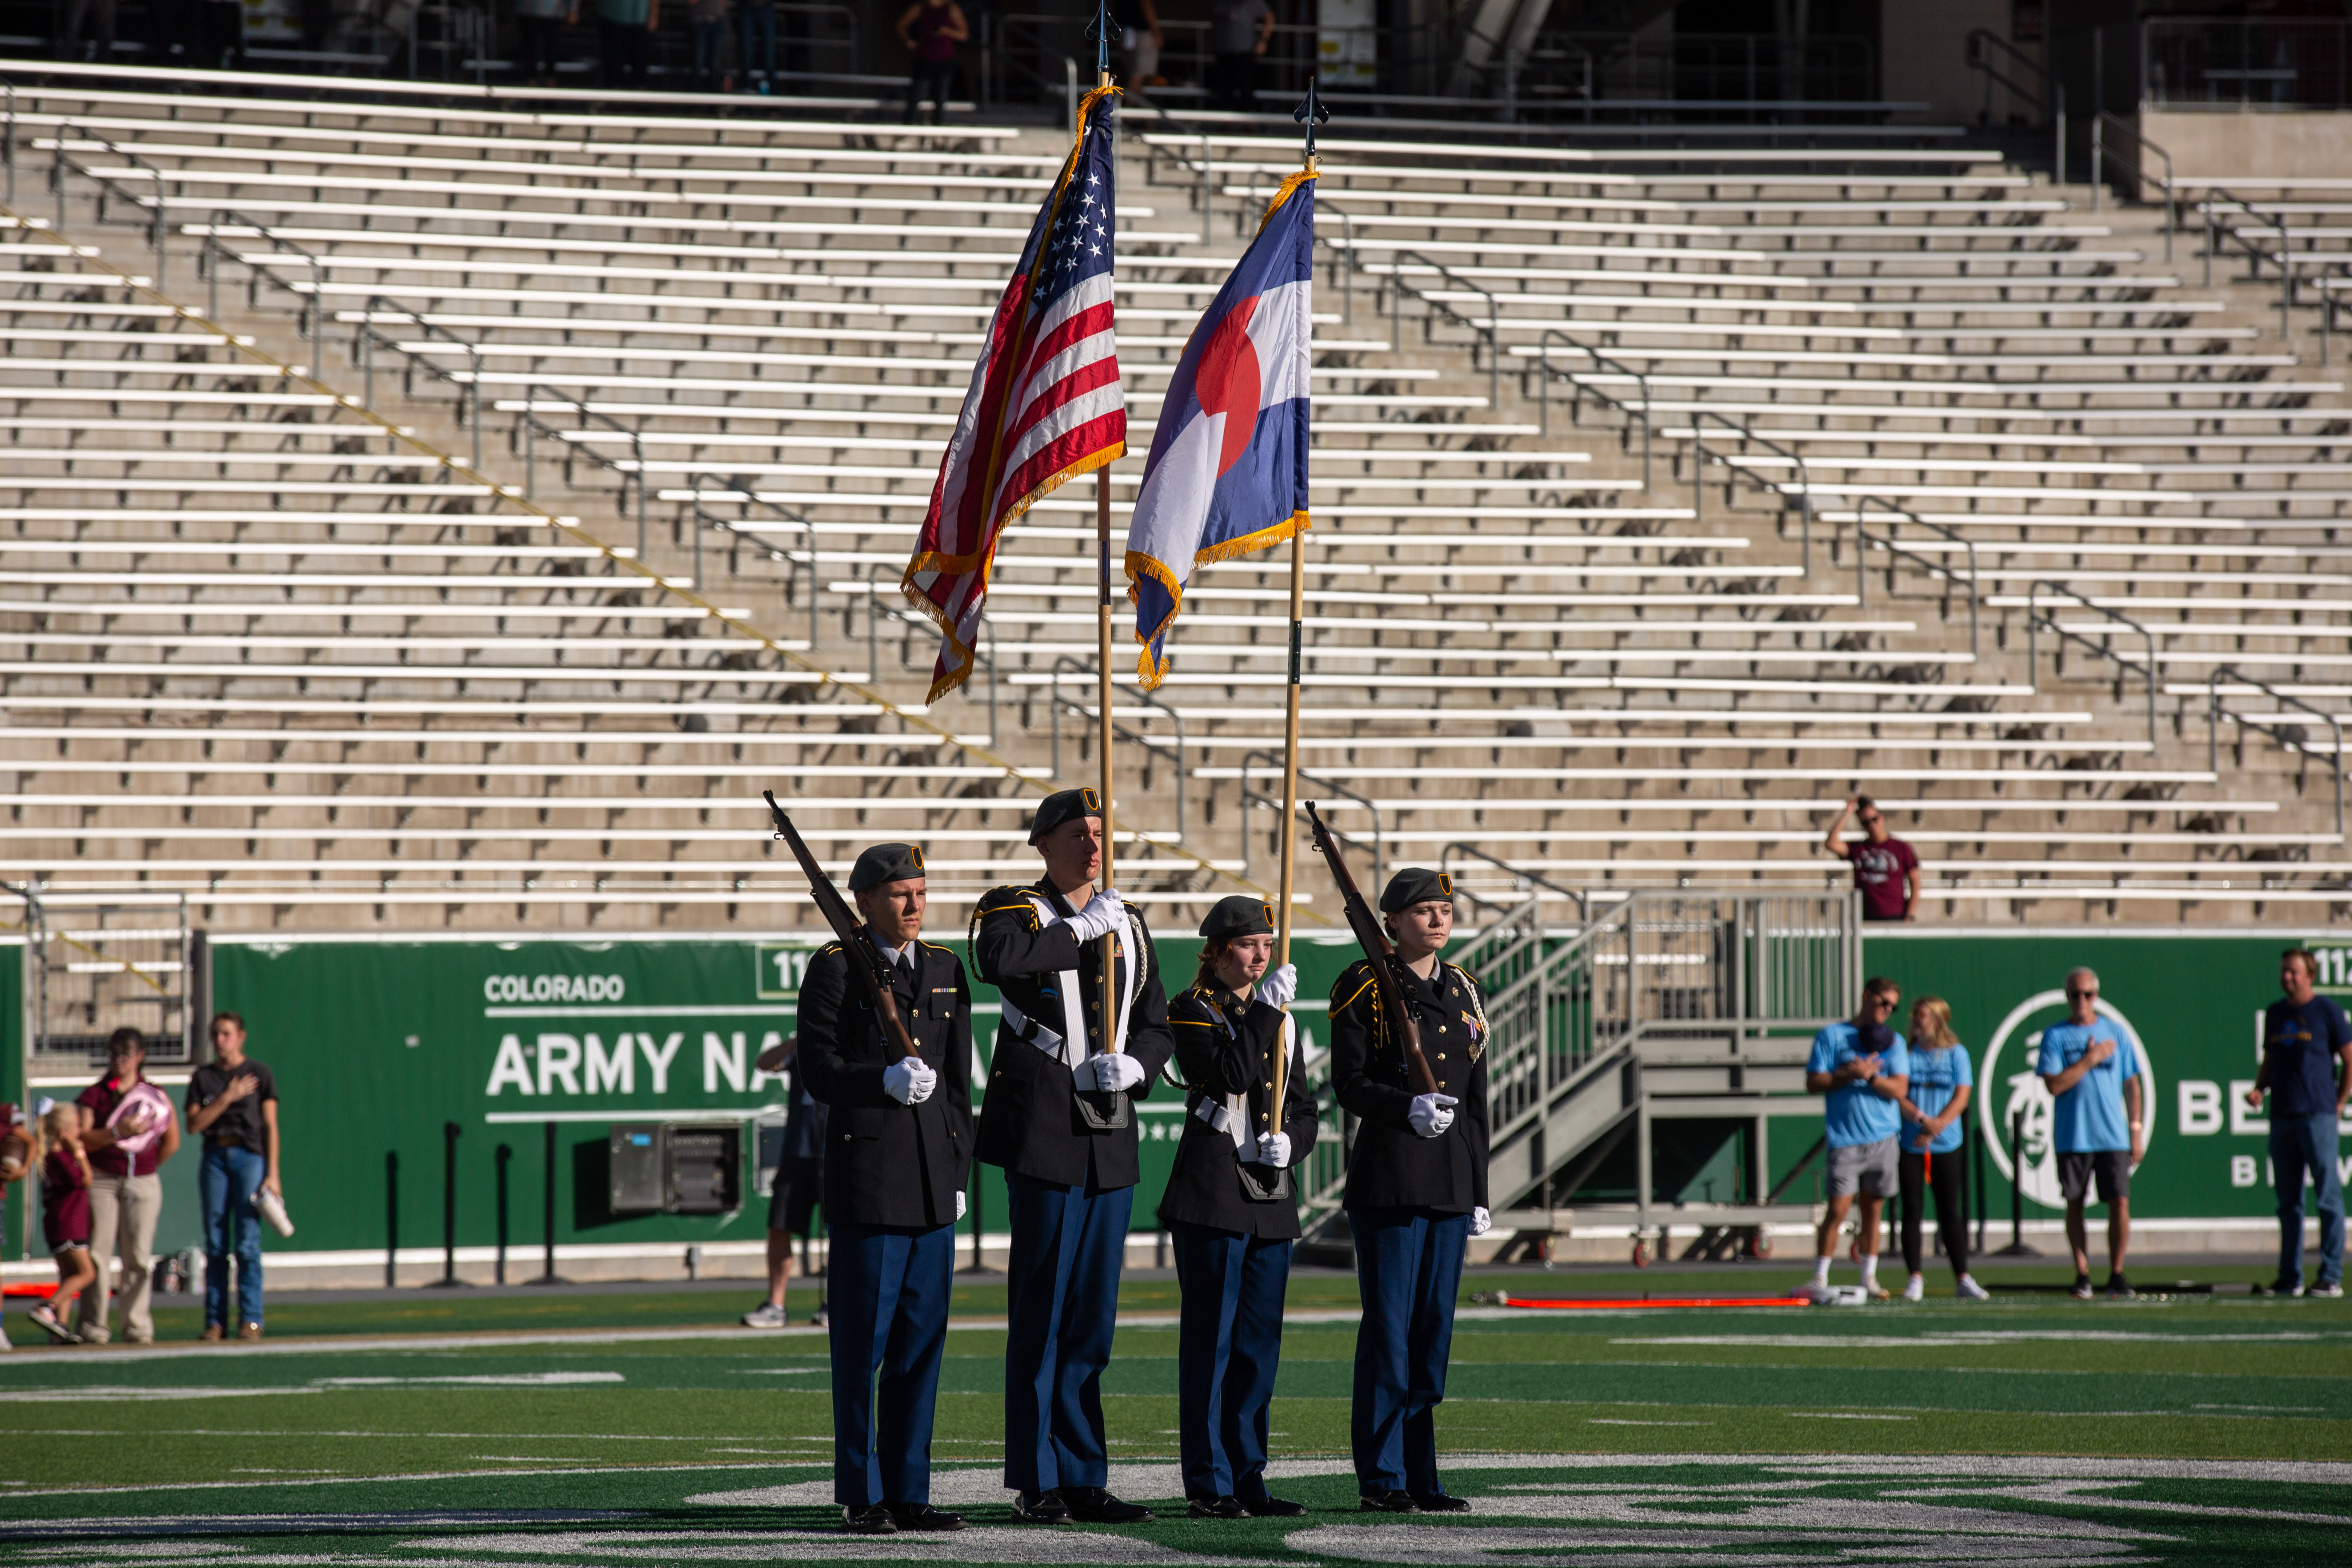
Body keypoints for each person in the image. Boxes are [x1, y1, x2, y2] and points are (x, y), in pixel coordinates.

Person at [972, 787, 1174, 1525]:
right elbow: (998, 961)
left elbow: (1156, 1022)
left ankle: (1085, 1471)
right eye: (1077, 834)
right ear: (1043, 842)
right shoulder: (1017, 909)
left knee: (1092, 1317)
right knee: (1043, 1310)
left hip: (1108, 1131)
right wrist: (1080, 929)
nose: (1092, 845)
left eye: (1099, 832)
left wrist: (1140, 1067)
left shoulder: (1129, 921)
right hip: (1046, 1129)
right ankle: (1036, 1475)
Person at [796, 843, 972, 1534]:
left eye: (920, 893)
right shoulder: (836, 968)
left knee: (919, 1348)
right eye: (899, 894)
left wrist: (958, 1172)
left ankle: (909, 1490)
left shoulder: (945, 968)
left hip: (932, 1182)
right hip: (870, 1181)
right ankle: (861, 1492)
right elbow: (819, 1068)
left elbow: (958, 1085)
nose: (913, 906)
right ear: (863, 901)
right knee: (863, 1347)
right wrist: (880, 1081)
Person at [1330, 867, 1489, 1515]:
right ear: (1391, 921)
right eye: (1422, 909)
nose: (1437, 918)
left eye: (1443, 908)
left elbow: (1476, 1101)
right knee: (1391, 1331)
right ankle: (1383, 1475)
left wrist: (1479, 1186)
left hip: (1450, 1180)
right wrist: (1405, 1108)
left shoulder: (1465, 989)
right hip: (1392, 1177)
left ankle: (1422, 1472)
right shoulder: (1364, 983)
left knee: (1432, 1334)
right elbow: (1350, 1082)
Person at [1160, 896, 1317, 1520]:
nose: (1261, 955)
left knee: (1258, 1346)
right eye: (1249, 944)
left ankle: (1249, 1473)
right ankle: (1207, 1481)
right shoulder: (1192, 1009)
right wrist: (1266, 1015)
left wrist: (1292, 1145)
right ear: (1220, 949)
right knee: (1212, 1343)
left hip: (1269, 1197)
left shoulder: (1279, 1017)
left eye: (1267, 944)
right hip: (1212, 1192)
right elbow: (1227, 1069)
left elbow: (1303, 1108)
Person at [2036, 967, 2145, 1300]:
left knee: (2120, 1202)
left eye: (2088, 994)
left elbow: (2132, 1084)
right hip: (2074, 1134)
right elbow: (2054, 1084)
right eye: (2075, 994)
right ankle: (2083, 1273)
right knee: (2075, 1203)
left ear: (2096, 995)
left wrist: (2135, 1129)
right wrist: (2090, 1059)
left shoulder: (2116, 1032)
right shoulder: (2056, 1035)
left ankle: (2116, 1272)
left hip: (2111, 1133)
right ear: (2067, 996)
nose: (2081, 1001)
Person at [2249, 948, 2352, 1298]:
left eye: (2294, 972)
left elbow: (2349, 1058)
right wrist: (2260, 1089)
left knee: (2327, 1197)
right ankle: (2290, 1275)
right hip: (2283, 1115)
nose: (2287, 977)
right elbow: (2271, 1059)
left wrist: (2338, 1102)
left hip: (2317, 1114)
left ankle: (2330, 1274)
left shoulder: (2326, 1011)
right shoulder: (2276, 1014)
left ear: (2310, 975)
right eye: (2284, 972)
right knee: (2288, 1202)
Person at [1804, 977, 1910, 1300]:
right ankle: (1820, 1276)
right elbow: (1813, 1081)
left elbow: (1900, 1089)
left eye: (1893, 1006)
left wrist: (1871, 1076)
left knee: (1873, 1211)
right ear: (1867, 996)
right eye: (1883, 1002)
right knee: (1837, 1210)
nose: (1887, 1010)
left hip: (1883, 1136)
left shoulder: (1894, 1042)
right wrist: (1847, 1074)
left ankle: (1869, 1277)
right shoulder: (1833, 1036)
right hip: (1846, 1137)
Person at [73, 1028, 180, 1346]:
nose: (119, 1061)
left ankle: (137, 1327)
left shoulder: (154, 1093)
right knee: (97, 1254)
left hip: (142, 1180)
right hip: (103, 1178)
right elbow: (84, 1138)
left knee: (138, 1256)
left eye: (125, 1055)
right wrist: (116, 1132)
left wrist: (145, 1167)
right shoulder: (96, 1094)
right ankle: (94, 1325)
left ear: (139, 1056)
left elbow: (171, 1141)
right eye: (114, 1054)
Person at [185, 1011, 281, 1342]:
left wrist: (274, 1173)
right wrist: (227, 1097)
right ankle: (215, 1321)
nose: (220, 1040)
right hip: (215, 1156)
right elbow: (194, 1125)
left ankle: (251, 1319)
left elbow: (270, 1124)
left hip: (249, 1157)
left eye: (227, 1034)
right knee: (215, 1242)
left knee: (247, 1242)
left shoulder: (259, 1073)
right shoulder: (204, 1078)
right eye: (216, 1034)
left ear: (241, 1036)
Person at [1892, 998, 1987, 1303]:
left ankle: (1962, 1276)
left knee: (1950, 1212)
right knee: (1912, 1211)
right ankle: (1915, 1277)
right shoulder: (1905, 1053)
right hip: (1911, 1142)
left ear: (1937, 1020)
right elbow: (1898, 1094)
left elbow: (1962, 1095)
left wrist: (1939, 1125)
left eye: (1922, 1016)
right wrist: (1922, 1121)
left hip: (1947, 1143)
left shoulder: (1956, 1054)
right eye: (1914, 1016)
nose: (1915, 1021)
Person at [743, 1034, 830, 1328]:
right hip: (798, 1150)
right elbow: (764, 1063)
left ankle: (837, 1303)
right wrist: (797, 1039)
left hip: (835, 1151)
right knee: (780, 1225)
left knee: (841, 1231)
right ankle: (776, 1305)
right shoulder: (802, 1048)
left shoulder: (846, 1043)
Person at [29, 1104, 96, 1344]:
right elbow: (85, 1180)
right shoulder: (61, 1158)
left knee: (68, 1276)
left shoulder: (50, 1158)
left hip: (58, 1225)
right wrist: (80, 1154)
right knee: (87, 1273)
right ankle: (47, 1306)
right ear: (64, 1132)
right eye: (77, 1127)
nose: (81, 1131)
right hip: (69, 1224)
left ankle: (60, 1327)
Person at [1822, 795, 1921, 922]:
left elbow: (1916, 882)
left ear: (1882, 817)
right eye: (1866, 823)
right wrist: (1846, 814)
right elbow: (1831, 844)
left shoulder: (1901, 847)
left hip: (1895, 915)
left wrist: (1910, 915)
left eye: (1875, 819)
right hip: (1865, 916)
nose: (1872, 825)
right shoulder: (1859, 848)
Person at [896, 0, 966, 125]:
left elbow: (963, 34)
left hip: (945, 58)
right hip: (924, 57)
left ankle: (938, 130)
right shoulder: (921, 7)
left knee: (941, 96)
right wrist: (909, 41)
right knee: (916, 94)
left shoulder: (950, 8)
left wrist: (947, 31)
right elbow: (902, 25)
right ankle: (908, 128)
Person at [1206, 0, 1271, 110]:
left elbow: (1270, 18)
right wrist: (1209, 46)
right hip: (1223, 52)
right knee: (1224, 90)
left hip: (1245, 52)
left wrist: (1263, 41)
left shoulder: (1252, 2)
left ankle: (1248, 123)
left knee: (1246, 89)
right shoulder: (1219, 3)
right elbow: (1213, 25)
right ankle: (1226, 122)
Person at [513, 0, 576, 85]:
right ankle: (531, 82)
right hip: (527, 10)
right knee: (530, 47)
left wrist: (573, 9)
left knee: (552, 48)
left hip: (554, 10)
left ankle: (551, 81)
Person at [598, 0, 657, 89]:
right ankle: (613, 94)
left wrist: (654, 16)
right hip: (612, 17)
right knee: (613, 60)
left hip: (640, 18)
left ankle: (640, 94)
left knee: (640, 60)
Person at [688, 0, 728, 90]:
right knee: (698, 61)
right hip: (699, 21)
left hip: (718, 21)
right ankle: (694, 98)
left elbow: (725, 3)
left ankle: (715, 98)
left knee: (716, 64)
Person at [1124, 0, 1164, 90]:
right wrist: (1156, 32)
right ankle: (1127, 104)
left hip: (1128, 31)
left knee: (1135, 74)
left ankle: (1136, 103)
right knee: (1138, 75)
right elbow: (1146, 5)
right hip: (1141, 32)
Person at [736, 0, 775, 88]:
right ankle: (745, 87)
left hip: (766, 6)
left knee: (769, 52)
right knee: (745, 51)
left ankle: (772, 88)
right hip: (746, 6)